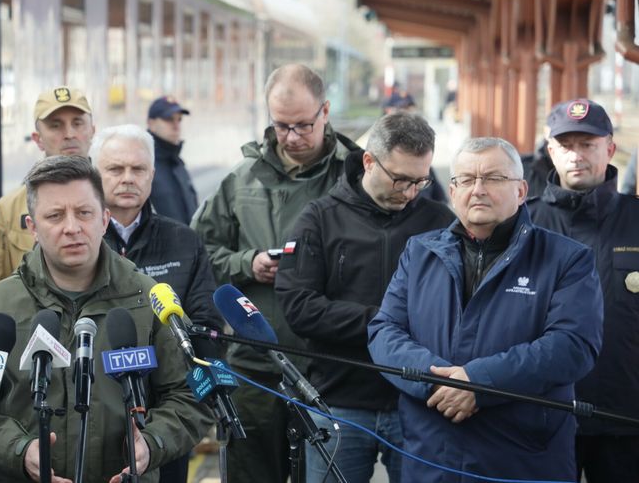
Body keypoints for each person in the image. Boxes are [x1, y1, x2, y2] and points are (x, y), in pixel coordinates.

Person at [0, 156, 212, 483]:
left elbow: (194, 396)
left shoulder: (147, 299)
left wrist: (151, 443)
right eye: (54, 215)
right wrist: (18, 451)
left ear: (104, 219)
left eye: (84, 213)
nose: (72, 227)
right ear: (32, 228)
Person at [367, 137, 603, 483]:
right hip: (430, 456)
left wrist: (481, 382)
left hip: (521, 461)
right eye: (466, 179)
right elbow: (384, 331)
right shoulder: (419, 253)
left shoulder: (566, 259)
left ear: (521, 191)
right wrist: (436, 383)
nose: (478, 189)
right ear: (452, 191)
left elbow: (573, 345)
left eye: (493, 178)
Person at [191, 63, 359, 483]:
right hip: (255, 367)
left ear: (325, 111)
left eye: (303, 125)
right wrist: (246, 264)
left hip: (330, 369)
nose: (292, 137)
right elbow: (198, 253)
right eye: (281, 126)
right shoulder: (242, 180)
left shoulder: (355, 178)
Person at [276, 112, 454, 483]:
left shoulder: (439, 223)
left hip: (418, 401)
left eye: (420, 181)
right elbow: (299, 307)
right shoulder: (319, 219)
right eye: (400, 179)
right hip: (339, 403)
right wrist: (384, 324)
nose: (409, 192)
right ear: (369, 161)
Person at [90, 124, 223, 483]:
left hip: (166, 419)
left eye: (138, 169)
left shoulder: (184, 241)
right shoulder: (79, 243)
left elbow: (206, 324)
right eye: (115, 169)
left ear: (152, 174)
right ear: (95, 174)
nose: (127, 178)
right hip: (93, 414)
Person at [528, 99, 639, 482]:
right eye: (566, 145)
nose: (576, 155)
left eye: (588, 144)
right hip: (540, 415)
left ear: (610, 148)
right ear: (551, 150)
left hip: (626, 418)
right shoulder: (523, 225)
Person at [0, 86, 95, 295]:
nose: (69, 134)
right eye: (56, 125)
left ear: (92, 130)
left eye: (77, 123)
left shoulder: (113, 198)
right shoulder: (10, 208)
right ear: (38, 139)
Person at [145, 96, 199, 224]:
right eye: (169, 119)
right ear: (151, 124)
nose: (176, 126)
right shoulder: (143, 165)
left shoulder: (178, 163)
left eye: (179, 119)